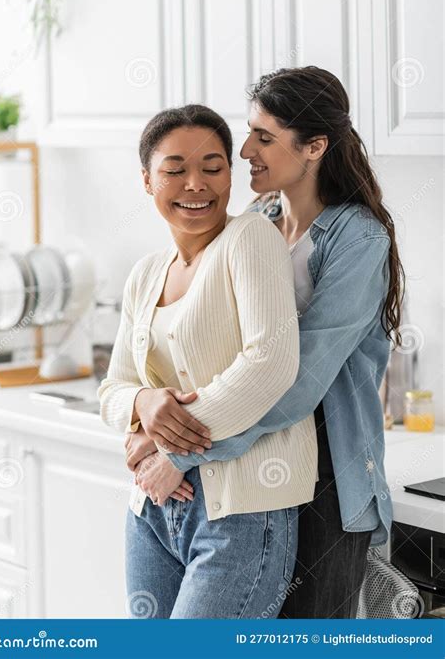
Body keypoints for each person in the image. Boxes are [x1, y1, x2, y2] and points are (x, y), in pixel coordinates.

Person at [127, 67, 404, 619]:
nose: (246, 148)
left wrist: (179, 451)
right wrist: (143, 416)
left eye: (265, 137)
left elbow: (296, 378)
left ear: (315, 147)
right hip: (245, 463)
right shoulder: (258, 220)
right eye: (250, 131)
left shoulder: (357, 239)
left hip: (326, 477)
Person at [98, 104, 318, 619]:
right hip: (152, 508)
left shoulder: (250, 239)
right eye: (175, 170)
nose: (195, 184)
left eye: (213, 168)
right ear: (148, 181)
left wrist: (158, 438)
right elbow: (112, 392)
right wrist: (144, 401)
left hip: (240, 510)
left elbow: (269, 365)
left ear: (231, 175)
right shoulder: (146, 273)